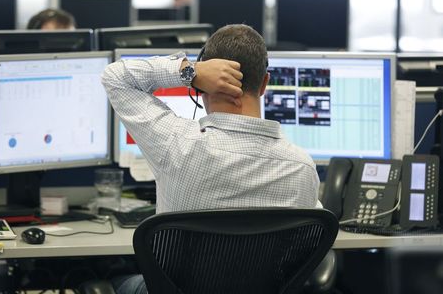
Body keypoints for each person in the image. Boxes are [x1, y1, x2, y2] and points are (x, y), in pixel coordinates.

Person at [102, 24, 320, 293]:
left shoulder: (175, 144)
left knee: (106, 279)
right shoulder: (302, 168)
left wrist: (189, 71)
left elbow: (115, 77)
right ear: (265, 84)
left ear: (201, 86)